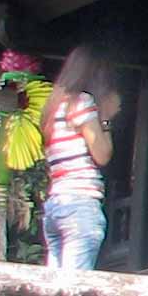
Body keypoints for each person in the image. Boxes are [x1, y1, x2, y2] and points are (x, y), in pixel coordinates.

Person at [40, 45, 122, 270]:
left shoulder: (53, 107)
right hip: (80, 204)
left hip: (56, 203)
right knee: (73, 287)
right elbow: (102, 154)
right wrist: (106, 117)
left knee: (54, 287)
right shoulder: (82, 103)